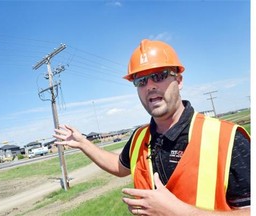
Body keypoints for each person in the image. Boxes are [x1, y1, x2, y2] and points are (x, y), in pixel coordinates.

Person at [53, 39, 250, 215]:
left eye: (159, 75)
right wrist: (83, 143)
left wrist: (179, 212)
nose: (150, 86)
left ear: (179, 80)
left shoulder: (227, 139)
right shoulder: (140, 137)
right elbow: (120, 167)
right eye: (141, 80)